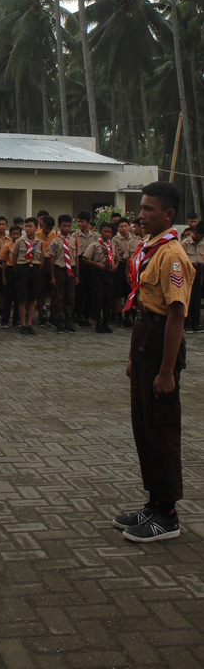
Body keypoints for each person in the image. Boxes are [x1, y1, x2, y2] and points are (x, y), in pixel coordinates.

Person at [113, 181, 194, 543]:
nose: (141, 215)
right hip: (145, 334)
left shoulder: (173, 254)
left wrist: (166, 371)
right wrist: (134, 356)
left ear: (168, 215)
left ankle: (168, 514)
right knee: (143, 425)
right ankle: (153, 501)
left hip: (163, 338)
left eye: (148, 209)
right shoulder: (150, 247)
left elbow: (176, 316)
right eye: (141, 208)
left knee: (161, 427)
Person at [12, 217, 46, 335]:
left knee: (32, 298)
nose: (27, 228)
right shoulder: (19, 241)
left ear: (36, 228)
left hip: (34, 270)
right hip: (22, 269)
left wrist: (36, 270)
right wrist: (19, 271)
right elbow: (14, 257)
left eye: (30, 226)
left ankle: (29, 324)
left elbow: (42, 259)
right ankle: (22, 324)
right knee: (22, 298)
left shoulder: (40, 243)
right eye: (26, 226)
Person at [83, 222, 118, 333]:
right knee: (98, 297)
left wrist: (115, 267)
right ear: (100, 232)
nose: (107, 234)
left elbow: (117, 259)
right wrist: (97, 264)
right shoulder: (95, 245)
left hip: (109, 273)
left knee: (108, 298)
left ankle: (106, 322)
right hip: (97, 272)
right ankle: (98, 322)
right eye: (105, 231)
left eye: (109, 232)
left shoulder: (113, 246)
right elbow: (85, 258)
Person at [49, 215, 79, 333]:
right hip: (59, 270)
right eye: (64, 226)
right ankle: (59, 323)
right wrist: (52, 275)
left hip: (70, 270)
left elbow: (76, 258)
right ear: (59, 226)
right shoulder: (55, 241)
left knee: (70, 297)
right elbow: (52, 259)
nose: (67, 228)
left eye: (69, 226)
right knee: (59, 297)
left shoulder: (74, 241)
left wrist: (76, 275)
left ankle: (68, 322)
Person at [74, 211, 98, 327]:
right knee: (79, 292)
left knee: (90, 292)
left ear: (88, 223)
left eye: (82, 221)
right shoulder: (75, 236)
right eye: (78, 221)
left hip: (91, 265)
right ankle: (78, 316)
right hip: (80, 264)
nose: (80, 224)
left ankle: (87, 317)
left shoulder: (95, 236)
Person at [112, 218, 137, 326]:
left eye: (125, 226)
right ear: (118, 228)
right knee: (118, 292)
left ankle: (128, 316)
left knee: (129, 291)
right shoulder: (115, 240)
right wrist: (123, 251)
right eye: (121, 226)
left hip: (131, 266)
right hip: (120, 265)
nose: (123, 228)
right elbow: (113, 254)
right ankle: (119, 317)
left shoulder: (134, 239)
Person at [181, 221, 204, 333]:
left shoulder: (202, 244)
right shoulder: (185, 244)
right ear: (195, 233)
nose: (201, 238)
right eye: (201, 235)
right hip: (188, 270)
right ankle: (187, 324)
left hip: (198, 270)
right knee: (188, 298)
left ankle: (196, 323)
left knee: (197, 299)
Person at [36, 214, 57, 327]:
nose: (48, 230)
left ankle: (52, 315)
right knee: (40, 290)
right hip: (40, 262)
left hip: (52, 262)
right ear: (42, 225)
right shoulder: (36, 235)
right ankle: (41, 315)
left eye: (50, 227)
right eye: (46, 227)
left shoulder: (55, 235)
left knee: (54, 290)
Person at [0, 224, 22, 329]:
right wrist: (3, 276)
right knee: (8, 298)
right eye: (13, 234)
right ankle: (4, 320)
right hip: (9, 271)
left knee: (18, 297)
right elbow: (3, 261)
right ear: (10, 235)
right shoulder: (7, 246)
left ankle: (16, 320)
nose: (16, 236)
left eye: (18, 234)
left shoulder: (23, 245)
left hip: (20, 271)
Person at [0, 216, 11, 320]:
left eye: (3, 224)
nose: (1, 226)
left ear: (6, 226)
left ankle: (1, 311)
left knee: (3, 292)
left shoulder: (10, 239)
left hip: (6, 267)